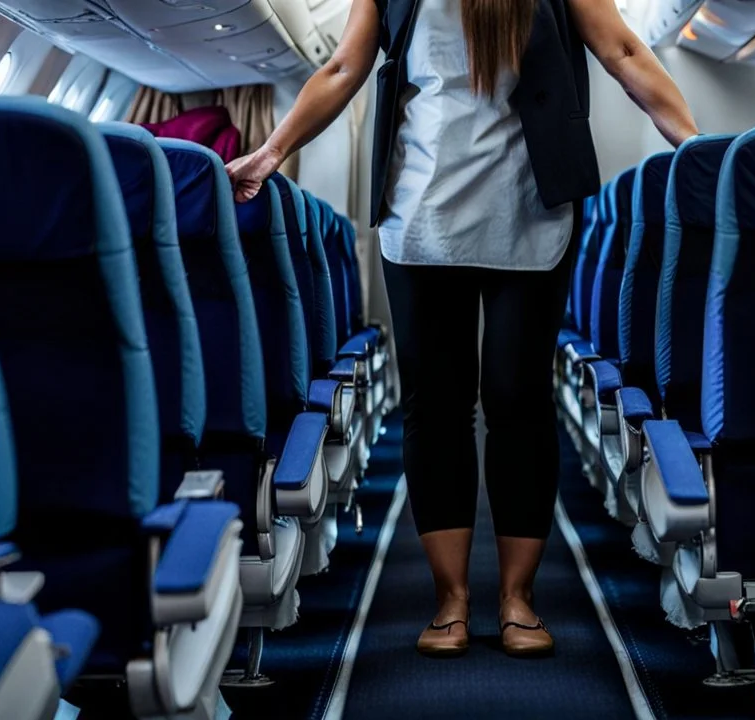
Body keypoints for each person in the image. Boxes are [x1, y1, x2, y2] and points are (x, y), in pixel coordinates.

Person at [226, 0, 698, 658]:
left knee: (518, 401)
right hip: (422, 214)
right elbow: (343, 67)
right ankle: (450, 598)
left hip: (530, 208)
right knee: (437, 408)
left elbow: (622, 51)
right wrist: (272, 151)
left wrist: (699, 150)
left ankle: (517, 597)